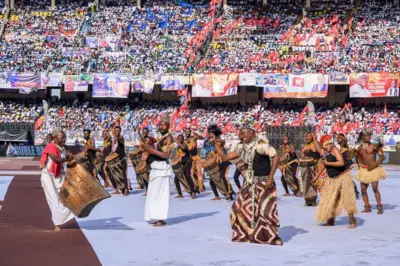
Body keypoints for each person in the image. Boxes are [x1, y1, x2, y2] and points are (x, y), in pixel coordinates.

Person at [214, 122, 283, 245]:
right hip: (250, 183)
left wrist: (270, 178)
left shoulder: (260, 145)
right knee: (238, 208)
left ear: (253, 133)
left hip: (264, 182)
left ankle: (269, 237)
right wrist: (216, 144)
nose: (243, 135)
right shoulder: (241, 148)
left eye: (246, 132)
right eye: (242, 133)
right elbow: (225, 158)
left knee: (265, 211)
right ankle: (246, 234)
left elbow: (276, 157)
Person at [314, 135, 357, 229]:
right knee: (330, 199)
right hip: (331, 179)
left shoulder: (334, 150)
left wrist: (328, 163)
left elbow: (341, 162)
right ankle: (330, 220)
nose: (329, 146)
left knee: (347, 199)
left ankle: (352, 220)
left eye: (330, 143)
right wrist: (316, 177)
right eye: (326, 144)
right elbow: (322, 161)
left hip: (342, 177)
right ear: (323, 145)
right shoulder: (324, 152)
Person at [141, 114, 174, 227]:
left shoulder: (169, 138)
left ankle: (161, 218)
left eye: (163, 125)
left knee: (160, 195)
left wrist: (151, 150)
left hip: (161, 169)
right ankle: (157, 217)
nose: (161, 127)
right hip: (156, 169)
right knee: (154, 194)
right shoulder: (161, 138)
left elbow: (166, 155)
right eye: (160, 125)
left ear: (168, 126)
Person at [39, 129, 74, 231]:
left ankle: (63, 218)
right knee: (54, 199)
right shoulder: (50, 146)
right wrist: (67, 159)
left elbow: (69, 155)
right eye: (61, 137)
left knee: (65, 197)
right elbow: (56, 160)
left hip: (58, 176)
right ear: (55, 138)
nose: (64, 139)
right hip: (48, 177)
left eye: (64, 137)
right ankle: (57, 224)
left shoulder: (63, 147)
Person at [355, 131, 387, 214]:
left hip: (374, 169)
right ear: (363, 137)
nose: (369, 137)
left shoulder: (374, 146)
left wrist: (376, 163)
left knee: (375, 188)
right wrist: (359, 164)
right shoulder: (359, 148)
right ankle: (367, 206)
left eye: (369, 136)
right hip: (364, 170)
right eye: (367, 136)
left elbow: (382, 156)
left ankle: (379, 206)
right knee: (363, 189)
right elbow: (358, 158)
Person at [202, 125, 234, 201]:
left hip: (223, 161)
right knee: (212, 181)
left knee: (223, 177)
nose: (210, 135)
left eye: (212, 133)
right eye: (209, 133)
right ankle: (217, 196)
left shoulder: (219, 140)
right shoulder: (207, 142)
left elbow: (222, 143)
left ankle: (228, 193)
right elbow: (206, 151)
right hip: (215, 161)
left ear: (215, 134)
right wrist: (208, 154)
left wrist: (214, 142)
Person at [300, 132, 322, 206]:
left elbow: (320, 152)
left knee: (313, 182)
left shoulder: (316, 143)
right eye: (306, 136)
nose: (308, 138)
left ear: (312, 137)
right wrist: (303, 157)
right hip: (305, 166)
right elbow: (301, 156)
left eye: (309, 136)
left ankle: (313, 199)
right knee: (305, 182)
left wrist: (315, 140)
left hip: (314, 165)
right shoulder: (304, 146)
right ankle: (307, 199)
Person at [335, 133, 360, 199]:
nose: (337, 139)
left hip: (346, 163)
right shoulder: (340, 146)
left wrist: (336, 134)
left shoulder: (345, 145)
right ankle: (354, 192)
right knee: (345, 179)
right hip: (344, 163)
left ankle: (355, 192)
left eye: (339, 138)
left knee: (346, 178)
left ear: (342, 139)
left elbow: (345, 139)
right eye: (337, 138)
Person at [174, 134, 197, 199]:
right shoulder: (178, 146)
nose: (180, 140)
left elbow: (184, 148)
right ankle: (180, 194)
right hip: (181, 164)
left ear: (183, 139)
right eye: (179, 138)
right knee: (176, 179)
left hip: (187, 162)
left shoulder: (184, 144)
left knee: (187, 176)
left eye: (181, 138)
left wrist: (176, 141)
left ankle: (193, 192)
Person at [111, 126, 129, 195]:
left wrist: (115, 136)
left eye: (118, 130)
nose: (117, 132)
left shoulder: (121, 138)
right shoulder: (114, 140)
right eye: (116, 130)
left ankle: (126, 189)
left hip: (122, 159)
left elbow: (119, 139)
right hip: (116, 160)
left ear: (120, 131)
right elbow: (113, 149)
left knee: (124, 174)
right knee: (117, 174)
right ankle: (119, 188)